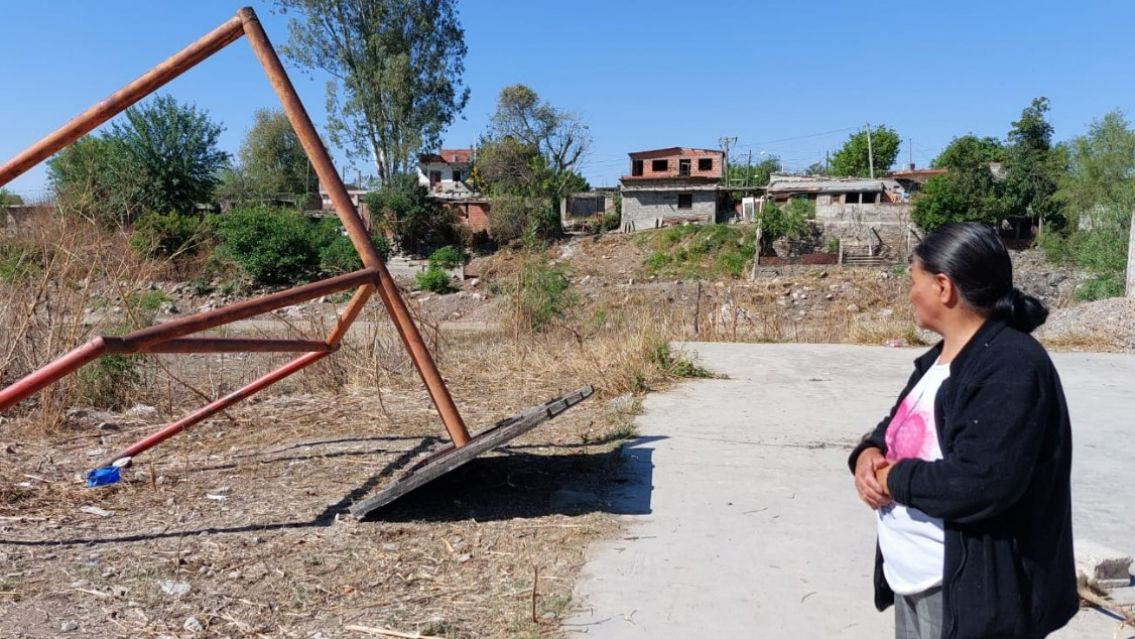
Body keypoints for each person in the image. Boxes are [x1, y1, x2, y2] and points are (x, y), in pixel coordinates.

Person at [848, 222, 1078, 638]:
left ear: (943, 286)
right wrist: (867, 454)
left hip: (970, 596)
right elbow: (894, 427)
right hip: (917, 581)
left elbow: (980, 480)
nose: (909, 293)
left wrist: (892, 477)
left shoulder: (1011, 365)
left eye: (913, 281)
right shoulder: (940, 360)